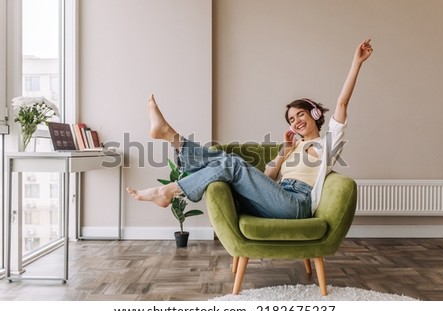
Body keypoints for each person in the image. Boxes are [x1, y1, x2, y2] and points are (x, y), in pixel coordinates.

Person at [127, 39, 373, 219]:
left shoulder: (326, 145)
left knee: (231, 163)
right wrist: (283, 152)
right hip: (275, 198)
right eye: (291, 119)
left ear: (315, 115)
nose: (296, 121)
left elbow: (341, 103)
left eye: (301, 114)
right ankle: (170, 138)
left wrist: (356, 63)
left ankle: (168, 175)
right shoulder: (292, 146)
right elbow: (265, 181)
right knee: (228, 163)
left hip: (296, 205)